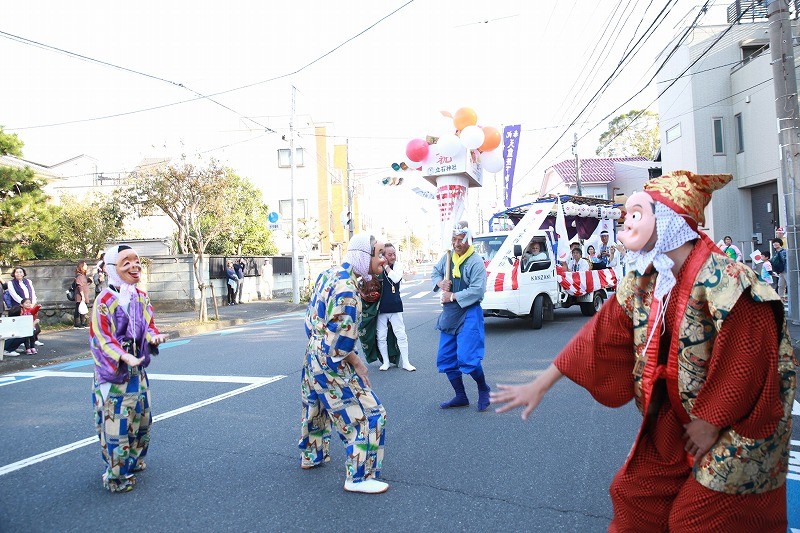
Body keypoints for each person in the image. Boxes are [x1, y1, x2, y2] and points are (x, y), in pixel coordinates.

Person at [492, 170, 796, 531]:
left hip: (739, 422)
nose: (627, 223)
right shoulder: (644, 279)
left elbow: (748, 360)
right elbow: (598, 333)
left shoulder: (728, 281)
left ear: (668, 222)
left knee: (697, 521)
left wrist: (711, 422)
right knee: (634, 496)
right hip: (676, 414)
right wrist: (540, 383)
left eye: (637, 214)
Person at [299, 233, 389, 494]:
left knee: (316, 407)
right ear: (364, 255)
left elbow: (311, 319)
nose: (383, 260)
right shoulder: (348, 290)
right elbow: (339, 344)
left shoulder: (328, 274)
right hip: (330, 358)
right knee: (370, 414)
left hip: (312, 354)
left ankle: (311, 456)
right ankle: (359, 477)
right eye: (379, 253)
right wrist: (358, 363)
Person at [91, 244, 167, 493]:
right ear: (112, 269)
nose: (134, 266)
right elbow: (102, 338)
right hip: (114, 374)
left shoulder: (141, 296)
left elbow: (149, 326)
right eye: (126, 262)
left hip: (138, 371)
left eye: (137, 262)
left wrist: (153, 337)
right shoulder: (104, 301)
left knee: (143, 419)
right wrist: (123, 356)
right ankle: (116, 476)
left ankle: (133, 460)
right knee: (117, 424)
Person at [432, 222, 492, 411]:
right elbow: (435, 272)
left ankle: (483, 388)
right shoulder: (448, 257)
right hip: (450, 314)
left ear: (468, 240)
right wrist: (440, 282)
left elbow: (478, 290)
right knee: (445, 358)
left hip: (469, 312)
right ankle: (461, 396)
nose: (456, 244)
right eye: (454, 240)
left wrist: (454, 295)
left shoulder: (475, 261)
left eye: (460, 240)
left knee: (467, 357)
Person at [376, 243, 415, 371]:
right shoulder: (378, 267)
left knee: (401, 334)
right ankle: (385, 362)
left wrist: (386, 266)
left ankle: (406, 362)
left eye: (394, 254)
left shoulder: (398, 266)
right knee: (381, 336)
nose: (393, 256)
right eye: (389, 254)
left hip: (395, 305)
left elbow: (396, 278)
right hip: (381, 307)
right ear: (383, 255)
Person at [74, 261, 92, 329]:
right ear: (82, 266)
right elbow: (79, 286)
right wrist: (82, 296)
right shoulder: (79, 276)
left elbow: (85, 284)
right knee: (78, 308)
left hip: (84, 294)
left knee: (83, 309)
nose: (86, 265)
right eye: (85, 264)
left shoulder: (83, 276)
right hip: (80, 295)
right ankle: (77, 324)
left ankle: (83, 322)